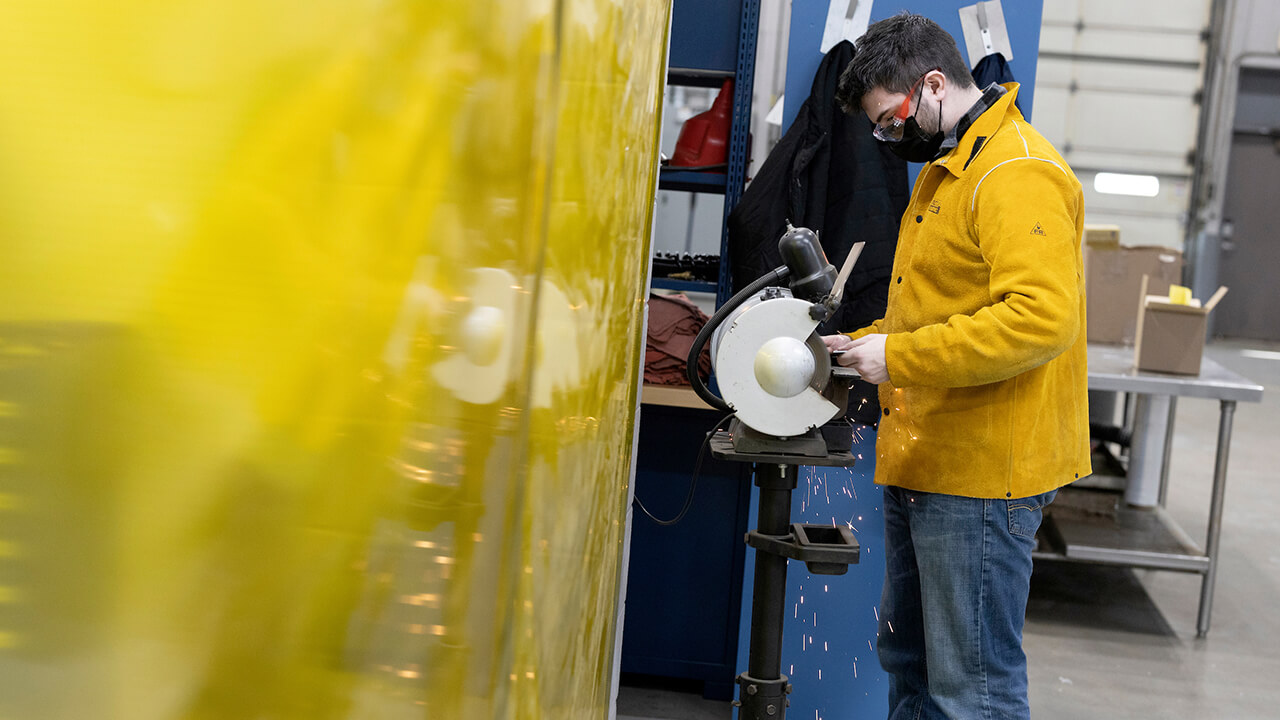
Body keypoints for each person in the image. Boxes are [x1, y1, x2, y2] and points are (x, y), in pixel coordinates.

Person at [823, 13, 1091, 720]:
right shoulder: (951, 169)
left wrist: (897, 357)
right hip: (928, 457)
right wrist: (859, 344)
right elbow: (935, 309)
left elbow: (1039, 319)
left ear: (935, 85)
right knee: (912, 666)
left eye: (891, 121)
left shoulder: (1015, 171)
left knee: (971, 690)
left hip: (982, 477)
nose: (889, 139)